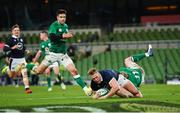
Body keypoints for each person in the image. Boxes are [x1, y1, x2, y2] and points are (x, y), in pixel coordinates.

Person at [18, 9, 92, 96]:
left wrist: (68, 34)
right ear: (57, 17)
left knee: (74, 71)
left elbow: (64, 36)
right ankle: (25, 65)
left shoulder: (65, 26)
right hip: (52, 55)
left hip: (63, 55)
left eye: (64, 17)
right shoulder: (54, 25)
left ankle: (86, 90)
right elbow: (52, 36)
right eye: (61, 17)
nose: (63, 18)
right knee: (38, 71)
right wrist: (63, 35)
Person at [88, 44, 153, 99]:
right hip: (132, 70)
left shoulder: (131, 80)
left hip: (139, 72)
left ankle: (148, 54)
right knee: (127, 60)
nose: (95, 79)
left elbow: (117, 85)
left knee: (132, 93)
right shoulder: (121, 71)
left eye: (96, 77)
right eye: (94, 78)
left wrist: (104, 96)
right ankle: (147, 54)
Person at [3, 24, 32, 94]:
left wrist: (26, 50)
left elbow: (22, 47)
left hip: (22, 60)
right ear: (12, 32)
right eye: (15, 30)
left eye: (18, 30)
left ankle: (27, 88)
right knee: (12, 76)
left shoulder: (21, 39)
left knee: (24, 74)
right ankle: (7, 69)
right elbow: (4, 48)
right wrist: (12, 48)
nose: (17, 31)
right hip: (14, 60)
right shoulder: (10, 39)